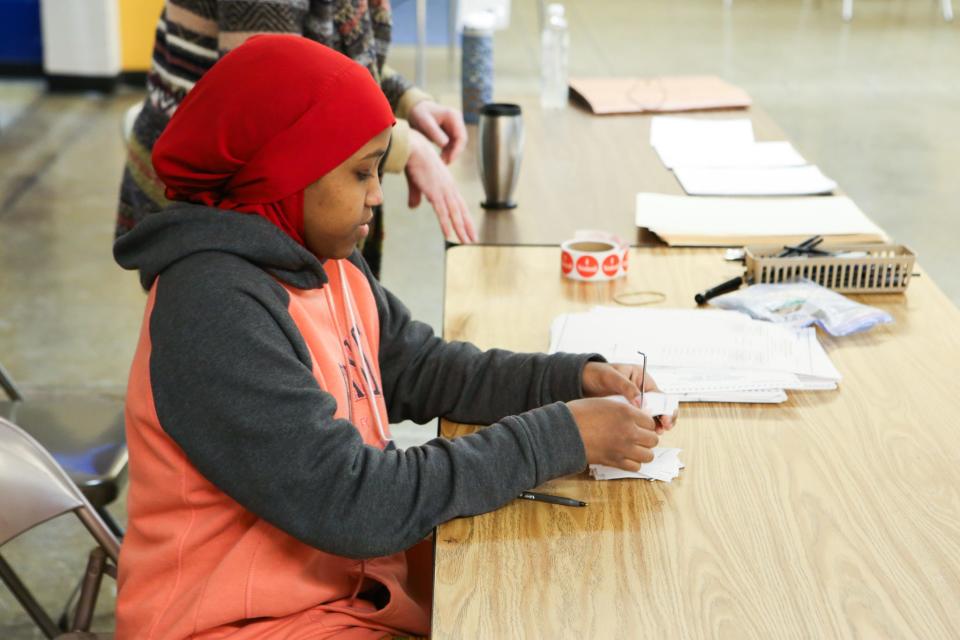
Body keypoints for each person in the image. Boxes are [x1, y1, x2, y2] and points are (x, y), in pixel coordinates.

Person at [113, 35, 672, 639]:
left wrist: (569, 377)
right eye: (360, 172)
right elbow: (353, 501)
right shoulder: (213, 309)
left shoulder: (324, 258)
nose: (378, 193)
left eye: (379, 168)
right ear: (286, 169)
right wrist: (559, 435)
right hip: (239, 623)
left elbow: (422, 368)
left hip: (344, 593)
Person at [116, 0, 477, 277]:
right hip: (210, 209)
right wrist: (404, 145)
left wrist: (407, 100)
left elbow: (328, 58)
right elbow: (269, 95)